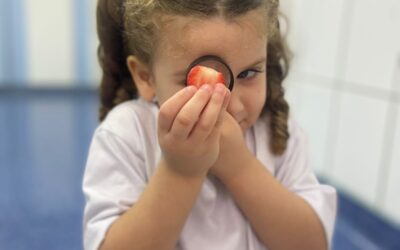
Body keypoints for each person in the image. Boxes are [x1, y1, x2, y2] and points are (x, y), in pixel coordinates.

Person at [82, 0, 337, 249]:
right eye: (201, 82)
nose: (231, 105)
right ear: (146, 77)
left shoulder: (278, 132)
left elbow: (312, 242)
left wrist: (238, 166)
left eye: (248, 74)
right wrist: (181, 171)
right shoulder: (127, 133)